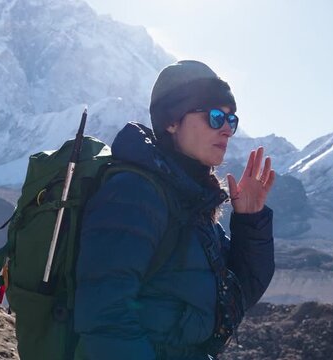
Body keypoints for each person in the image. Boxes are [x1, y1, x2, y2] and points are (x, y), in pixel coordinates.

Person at [74, 60, 275, 360]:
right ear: (171, 120)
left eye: (231, 120)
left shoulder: (191, 201)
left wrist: (248, 222)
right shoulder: (134, 194)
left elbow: (236, 299)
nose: (227, 130)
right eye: (215, 116)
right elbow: (104, 316)